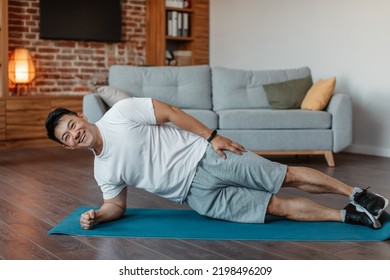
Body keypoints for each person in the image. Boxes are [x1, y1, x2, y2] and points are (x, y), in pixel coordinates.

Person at [45, 97, 388, 230]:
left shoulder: (118, 114)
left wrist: (212, 137)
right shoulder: (101, 170)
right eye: (66, 138)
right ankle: (347, 215)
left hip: (209, 156)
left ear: (81, 116)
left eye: (72, 126)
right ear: (67, 147)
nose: (74, 135)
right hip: (197, 198)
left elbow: (170, 113)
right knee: (276, 207)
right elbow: (115, 204)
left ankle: (357, 194)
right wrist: (97, 215)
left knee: (287, 176)